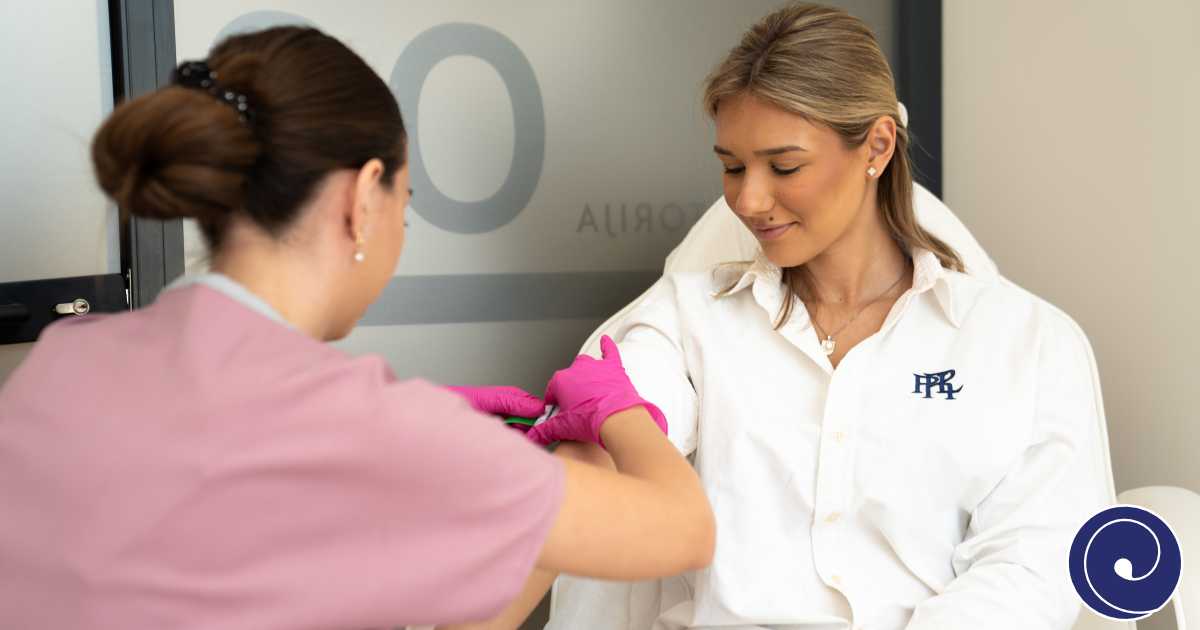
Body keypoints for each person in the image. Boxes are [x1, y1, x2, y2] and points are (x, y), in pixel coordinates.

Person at [0, 26, 713, 629]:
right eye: (406, 199)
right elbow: (685, 531)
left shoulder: (64, 362)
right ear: (362, 196)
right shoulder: (370, 430)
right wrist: (616, 408)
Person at [537, 4, 1110, 629]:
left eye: (784, 167)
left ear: (877, 146)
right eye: (732, 167)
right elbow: (604, 454)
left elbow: (1032, 565)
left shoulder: (1028, 344)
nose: (748, 200)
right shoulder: (687, 318)